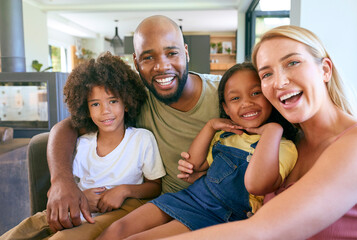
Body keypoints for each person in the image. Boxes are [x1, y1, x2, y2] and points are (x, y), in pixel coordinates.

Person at [161, 25, 357, 240]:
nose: (280, 82)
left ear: (325, 70)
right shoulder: (288, 143)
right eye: (267, 74)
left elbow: (262, 231)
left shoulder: (355, 144)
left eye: (292, 63)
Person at [43, 15, 221, 238]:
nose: (162, 66)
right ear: (136, 63)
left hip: (215, 204)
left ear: (185, 52)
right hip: (165, 205)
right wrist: (62, 181)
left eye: (172, 53)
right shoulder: (135, 102)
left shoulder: (227, 95)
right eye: (148, 58)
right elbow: (66, 127)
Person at [96, 62, 298, 239]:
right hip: (191, 196)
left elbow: (257, 184)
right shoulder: (226, 136)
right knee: (118, 229)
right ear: (226, 109)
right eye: (235, 99)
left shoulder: (282, 145)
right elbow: (193, 165)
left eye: (256, 93)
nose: (246, 103)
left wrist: (272, 130)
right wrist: (210, 126)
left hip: (220, 215)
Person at [0, 52, 166, 240]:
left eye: (113, 101)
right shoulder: (83, 143)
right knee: (22, 231)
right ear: (85, 108)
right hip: (82, 207)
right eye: (95, 104)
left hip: (123, 209)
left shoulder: (141, 139)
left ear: (126, 103)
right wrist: (81, 197)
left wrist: (124, 190)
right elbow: (74, 183)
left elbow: (155, 186)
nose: (105, 111)